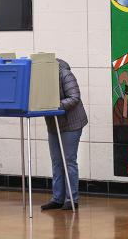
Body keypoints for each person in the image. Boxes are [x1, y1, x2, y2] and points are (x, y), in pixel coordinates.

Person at [41, 59, 88, 211]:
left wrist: (54, 105)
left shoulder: (64, 73)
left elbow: (75, 97)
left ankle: (71, 199)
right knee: (56, 161)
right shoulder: (40, 80)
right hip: (54, 124)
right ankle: (57, 198)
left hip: (72, 123)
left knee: (69, 160)